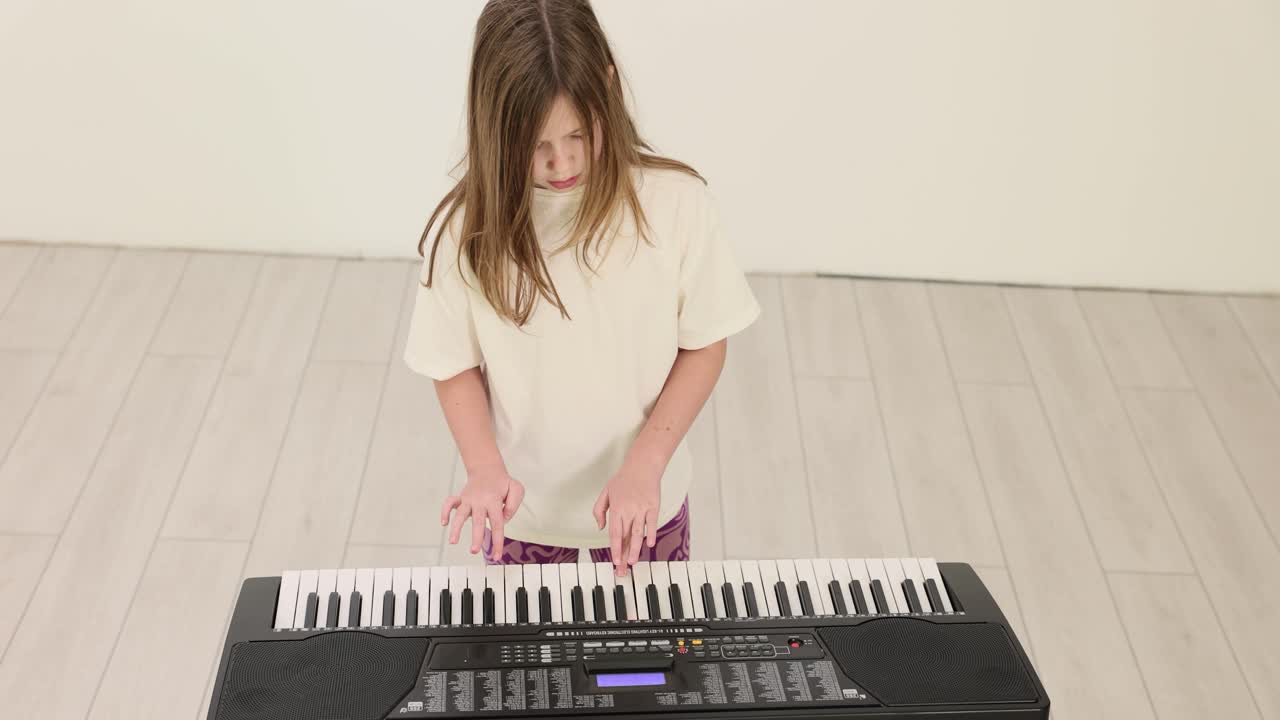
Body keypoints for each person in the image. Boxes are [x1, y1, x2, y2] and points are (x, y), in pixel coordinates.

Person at [404, 0, 758, 577]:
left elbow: (705, 342)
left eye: (576, 133)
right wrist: (484, 468)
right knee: (528, 667)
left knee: (654, 662)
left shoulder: (677, 204)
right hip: (522, 519)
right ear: (493, 120)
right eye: (535, 143)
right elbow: (451, 363)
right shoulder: (466, 231)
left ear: (609, 90)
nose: (561, 160)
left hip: (646, 505)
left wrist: (647, 463)